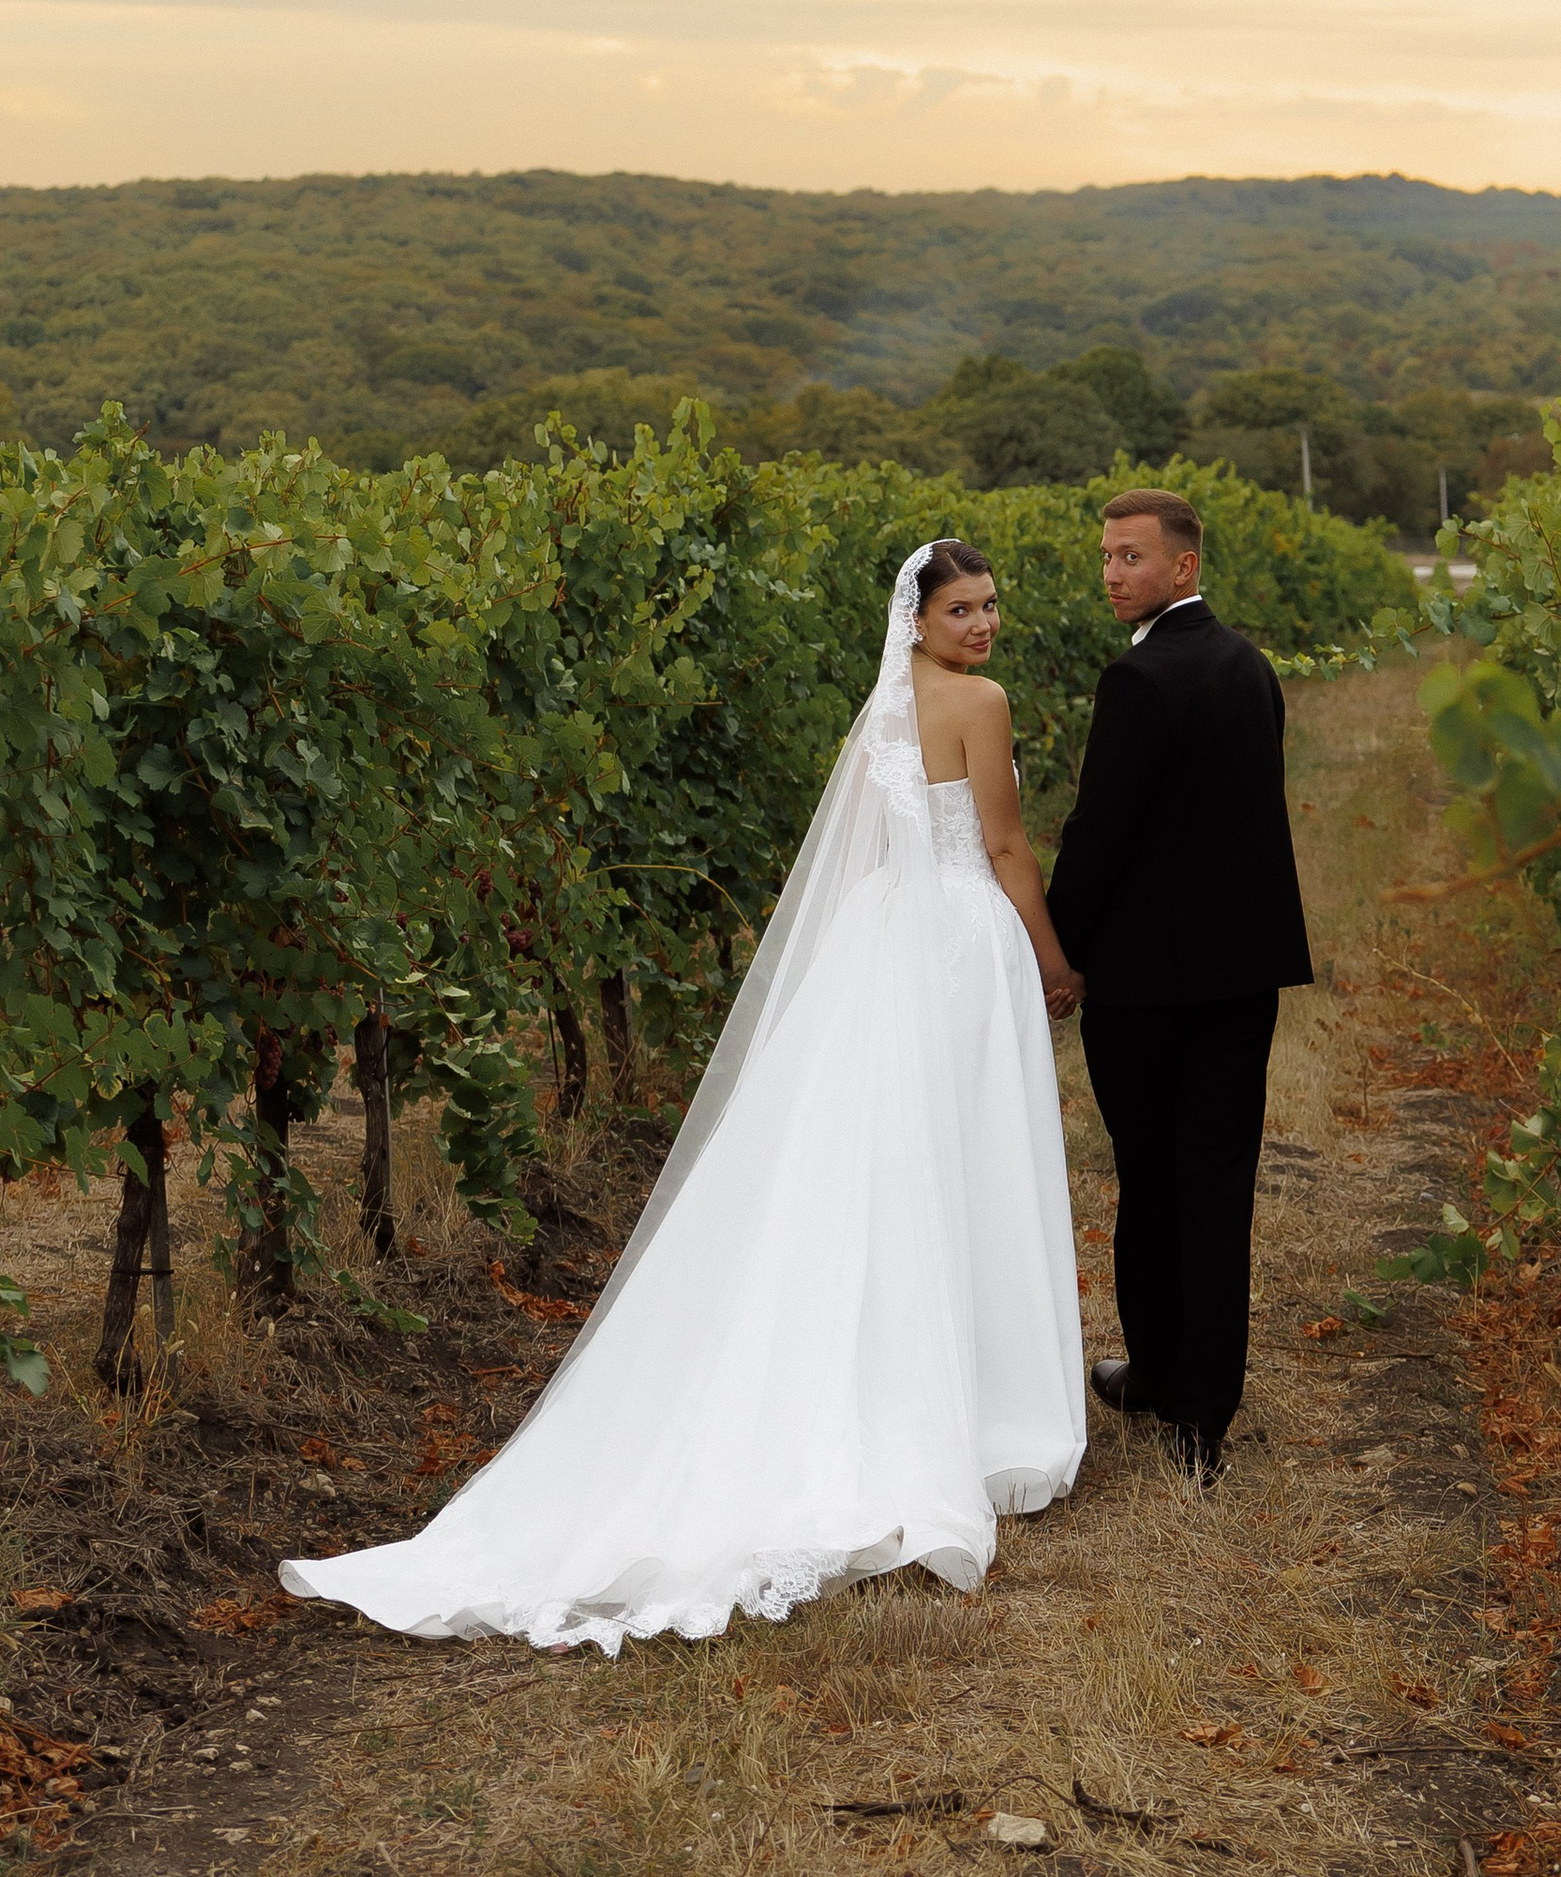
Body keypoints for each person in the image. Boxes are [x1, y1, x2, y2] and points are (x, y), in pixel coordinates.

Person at [281, 539, 1087, 1653]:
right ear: (919, 619)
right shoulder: (978, 703)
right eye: (963, 611)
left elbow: (862, 856)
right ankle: (981, 1418)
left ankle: (921, 1393)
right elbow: (1001, 841)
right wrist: (1048, 956)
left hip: (880, 945)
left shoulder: (883, 713)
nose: (983, 627)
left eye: (992, 607)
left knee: (884, 1173)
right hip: (951, 944)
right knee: (965, 1161)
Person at [1045, 488, 1312, 1483]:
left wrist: (1058, 951)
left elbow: (1097, 835)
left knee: (1152, 1185)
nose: (1111, 573)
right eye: (1106, 557)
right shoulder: (1250, 666)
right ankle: (1205, 1411)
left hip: (1148, 984)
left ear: (1182, 568)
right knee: (1216, 1184)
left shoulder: (1137, 678)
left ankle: (1159, 1378)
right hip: (1244, 975)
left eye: (1129, 557)